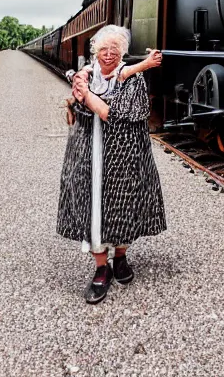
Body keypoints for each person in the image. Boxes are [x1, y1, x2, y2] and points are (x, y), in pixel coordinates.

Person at [57, 25, 166, 304]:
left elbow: (113, 113)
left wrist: (89, 96)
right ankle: (101, 268)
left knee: (122, 205)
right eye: (103, 50)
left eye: (114, 51)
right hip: (88, 153)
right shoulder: (88, 75)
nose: (108, 55)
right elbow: (79, 107)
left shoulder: (133, 80)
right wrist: (80, 94)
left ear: (122, 53)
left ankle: (121, 257)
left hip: (125, 156)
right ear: (96, 51)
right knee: (92, 206)